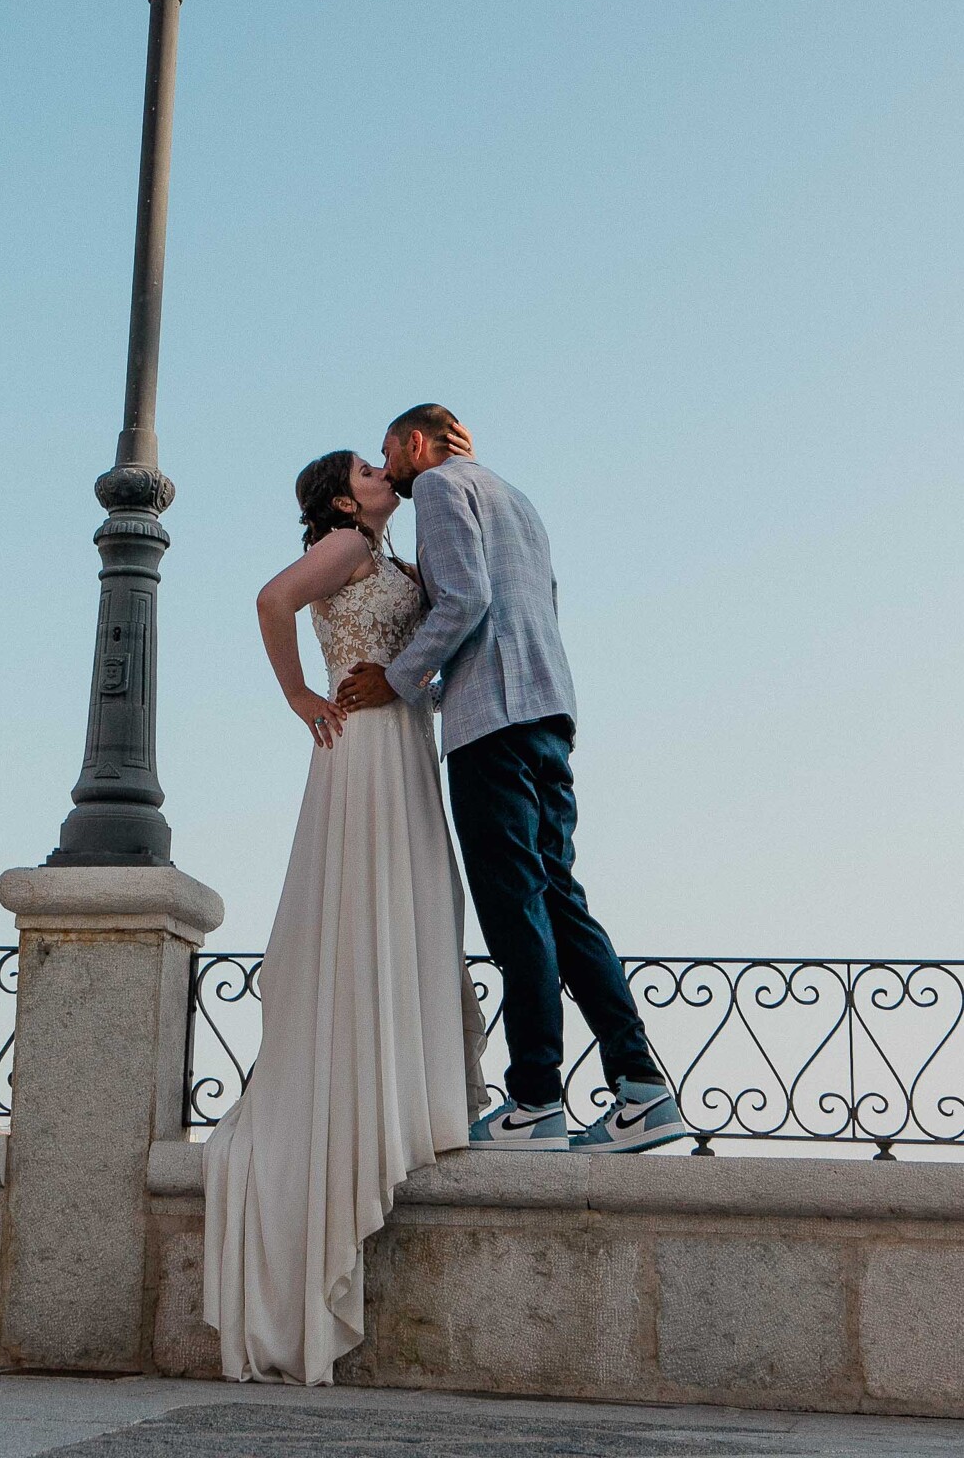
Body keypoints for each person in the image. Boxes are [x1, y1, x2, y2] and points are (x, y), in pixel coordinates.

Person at [202, 441, 486, 1386]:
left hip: (396, 737)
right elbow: (270, 599)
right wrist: (296, 693)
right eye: (365, 469)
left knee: (410, 896)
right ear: (337, 498)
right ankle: (371, 1099)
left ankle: (399, 1086)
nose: (379, 475)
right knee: (369, 900)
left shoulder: (389, 556)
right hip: (360, 742)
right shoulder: (348, 546)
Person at [336, 404, 685, 1156]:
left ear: (416, 443)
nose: (386, 465)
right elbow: (534, 605)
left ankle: (533, 1099)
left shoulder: (437, 488)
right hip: (546, 712)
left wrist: (398, 679)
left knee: (514, 906)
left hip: (491, 726)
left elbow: (465, 599)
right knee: (560, 899)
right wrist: (436, 689)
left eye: (388, 450)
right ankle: (641, 1088)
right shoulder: (514, 497)